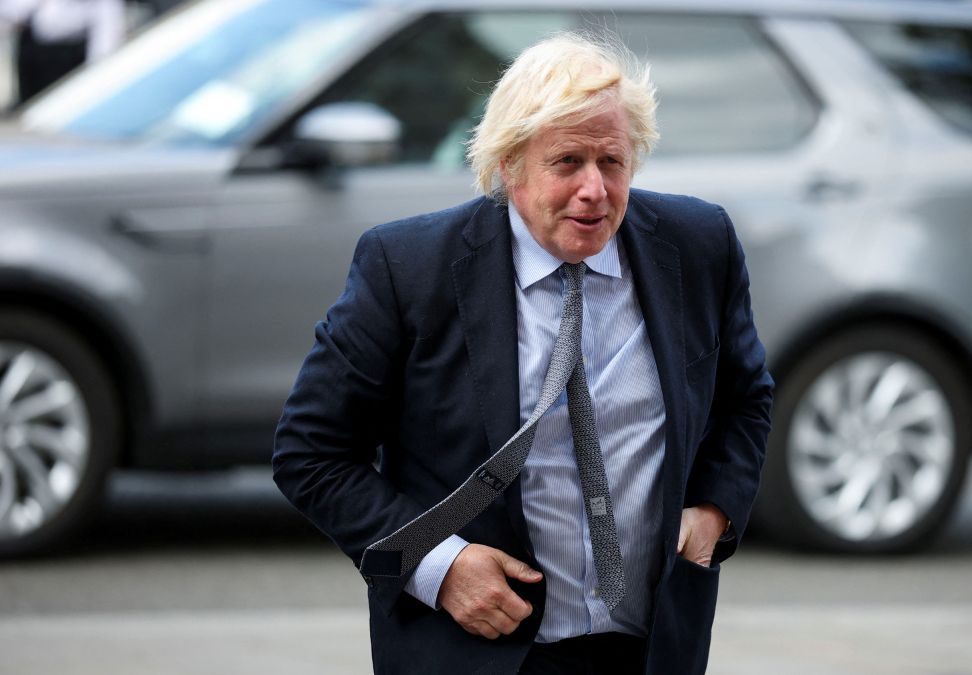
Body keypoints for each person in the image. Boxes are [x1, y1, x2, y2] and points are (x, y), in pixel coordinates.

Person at [273, 32, 773, 675]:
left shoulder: (699, 244)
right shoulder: (408, 268)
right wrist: (437, 564)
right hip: (475, 650)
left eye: (613, 162)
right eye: (567, 162)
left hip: (650, 646)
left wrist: (713, 509)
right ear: (509, 164)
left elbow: (746, 397)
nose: (595, 189)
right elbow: (310, 453)